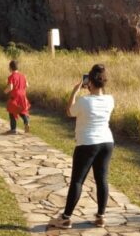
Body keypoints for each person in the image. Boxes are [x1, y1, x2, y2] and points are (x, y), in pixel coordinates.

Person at [48, 64, 114, 229]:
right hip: (106, 142)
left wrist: (75, 91)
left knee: (77, 181)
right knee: (102, 179)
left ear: (89, 82)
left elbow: (69, 112)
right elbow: (99, 99)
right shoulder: (110, 99)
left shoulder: (84, 101)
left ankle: (65, 218)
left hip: (87, 143)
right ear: (104, 82)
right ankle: (100, 216)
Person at [3, 59, 31, 134]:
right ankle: (26, 122)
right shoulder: (23, 76)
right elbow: (27, 85)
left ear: (10, 68)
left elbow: (11, 87)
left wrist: (5, 91)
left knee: (12, 111)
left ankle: (13, 129)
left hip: (15, 96)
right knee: (22, 110)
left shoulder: (11, 76)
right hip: (23, 96)